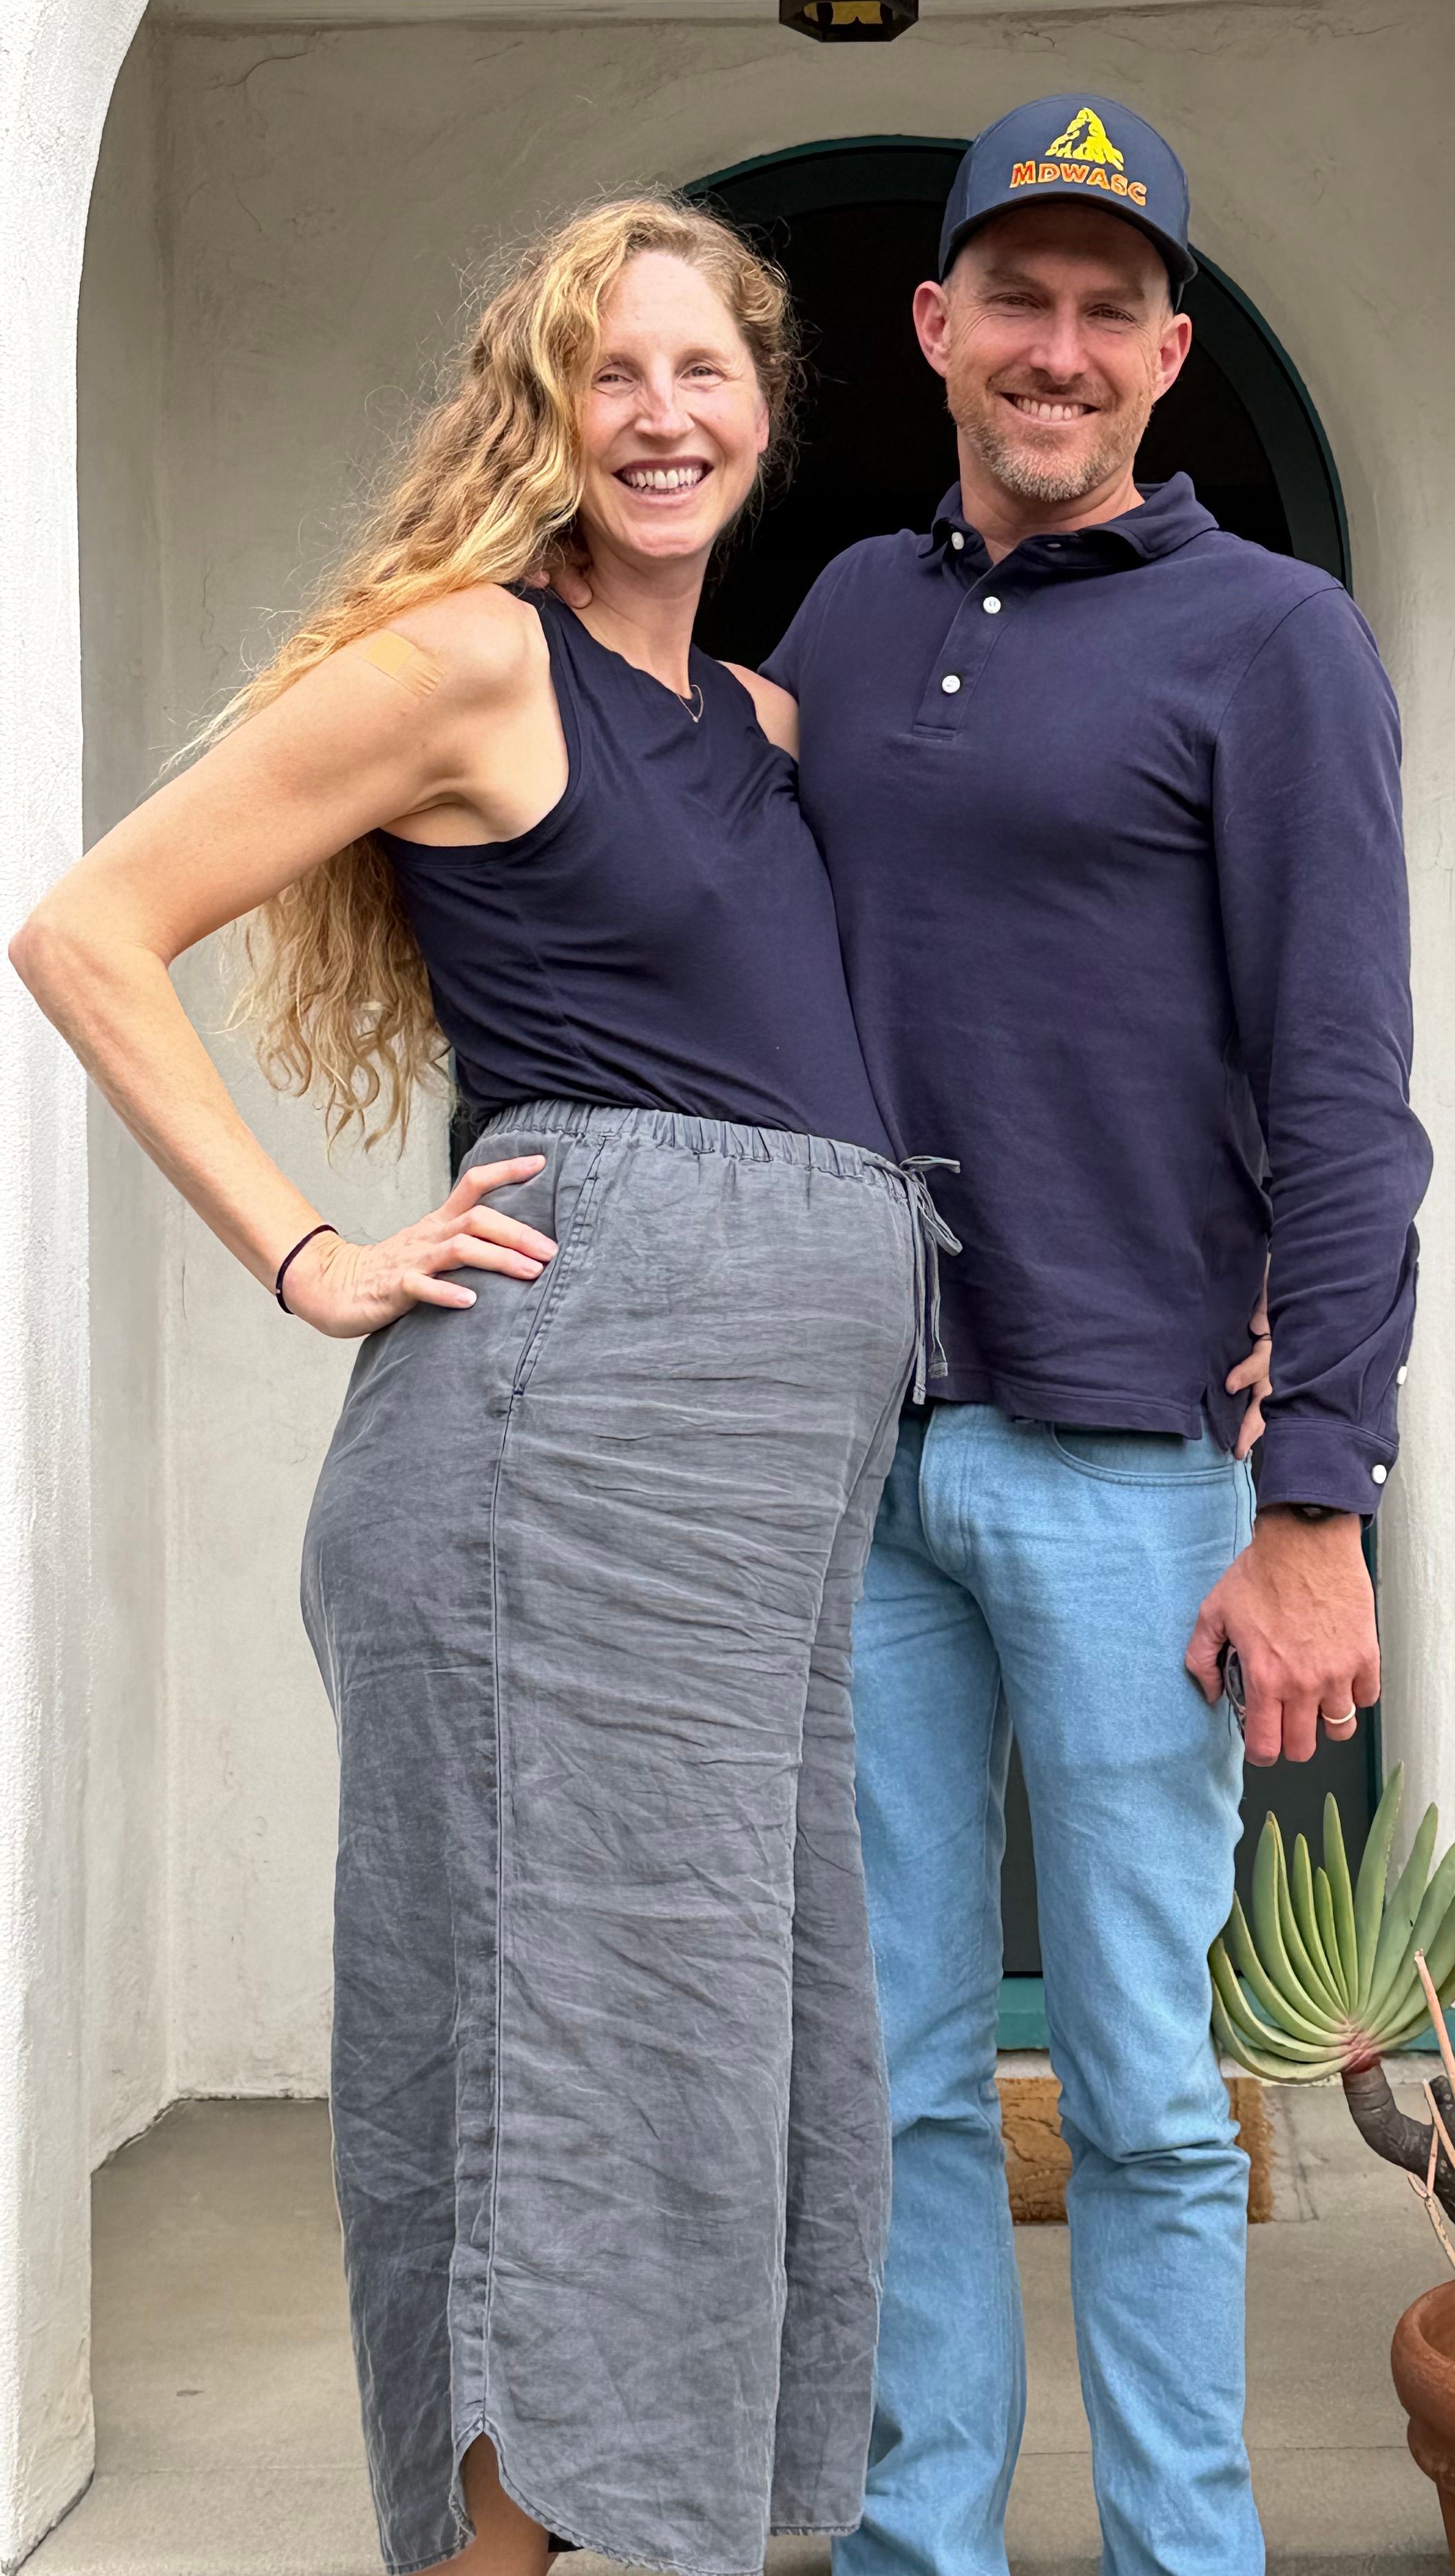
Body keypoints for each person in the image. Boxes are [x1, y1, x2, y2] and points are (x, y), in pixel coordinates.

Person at [10, 198, 948, 2576]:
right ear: (540, 414)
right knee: (566, 2067)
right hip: (561, 1464)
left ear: (765, 411)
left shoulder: (764, 725)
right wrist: (310, 1249)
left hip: (748, 1506)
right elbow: (87, 925)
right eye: (607, 376)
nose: (661, 418)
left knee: (733, 2062)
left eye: (703, 375)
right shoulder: (467, 664)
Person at [769, 98, 1432, 2576]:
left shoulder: (1274, 642)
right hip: (856, 1453)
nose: (1057, 349)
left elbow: (1349, 1095)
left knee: (1150, 2094)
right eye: (1010, 299)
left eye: (1106, 309)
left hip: (1133, 1459)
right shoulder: (836, 612)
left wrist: (1318, 1500)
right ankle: (916, 2542)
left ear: (1165, 357)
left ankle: (1185, 2555)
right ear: (933, 331)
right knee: (905, 2076)